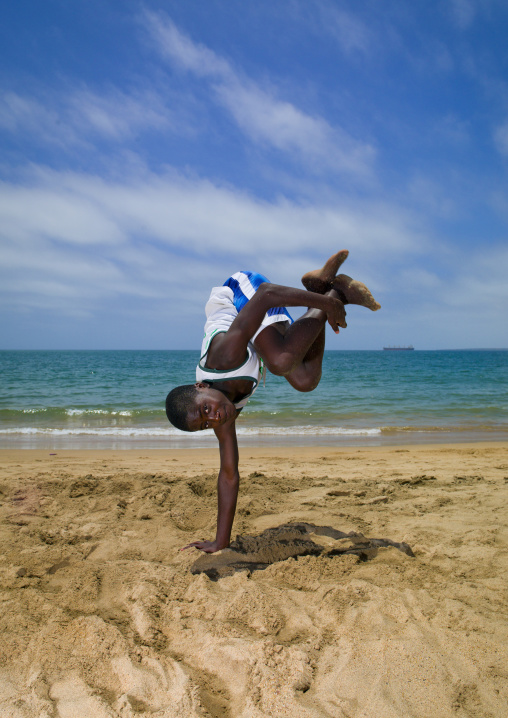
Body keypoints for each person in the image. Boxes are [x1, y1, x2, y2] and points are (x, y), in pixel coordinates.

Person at [165, 250, 380, 553]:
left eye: (205, 409)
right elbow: (228, 475)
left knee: (280, 362)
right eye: (205, 425)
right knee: (305, 380)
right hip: (252, 330)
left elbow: (266, 294)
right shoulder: (222, 415)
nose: (213, 418)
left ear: (202, 385)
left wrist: (329, 307)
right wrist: (220, 542)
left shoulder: (223, 356)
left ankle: (333, 293)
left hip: (243, 294)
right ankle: (322, 288)